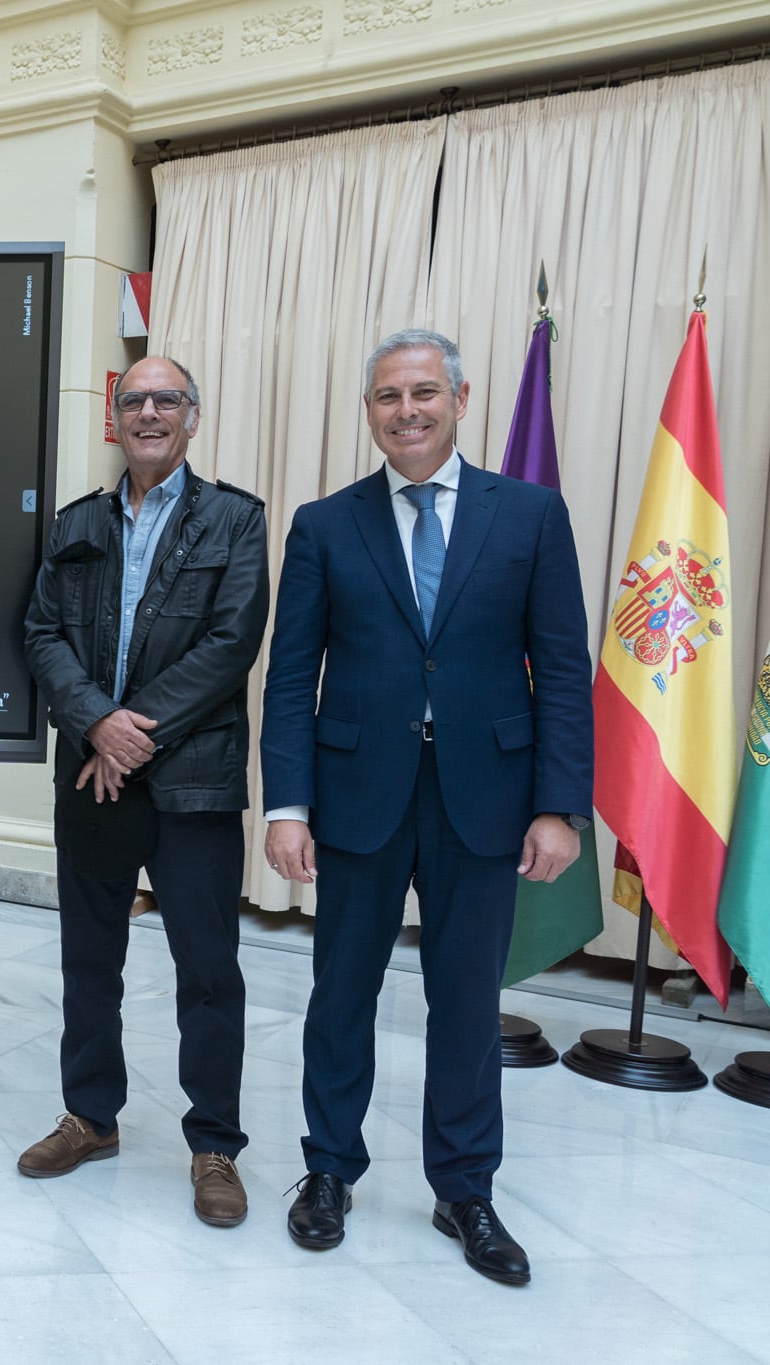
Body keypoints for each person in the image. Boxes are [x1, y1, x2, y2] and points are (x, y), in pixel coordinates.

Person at [261, 329, 592, 1285]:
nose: (405, 410)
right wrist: (287, 803)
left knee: (465, 1004)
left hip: (487, 801)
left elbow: (563, 670)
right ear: (368, 410)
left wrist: (560, 805)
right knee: (340, 995)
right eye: (385, 397)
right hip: (358, 797)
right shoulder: (325, 524)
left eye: (423, 393)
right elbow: (291, 680)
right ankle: (327, 1171)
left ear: (460, 396)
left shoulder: (530, 515)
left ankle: (465, 1187)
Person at [19, 356, 270, 1227]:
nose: (151, 412)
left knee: (207, 970)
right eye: (135, 401)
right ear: (111, 421)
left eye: (168, 400)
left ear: (193, 418)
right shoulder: (76, 522)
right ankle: (90, 1116)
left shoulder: (236, 520)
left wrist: (129, 731)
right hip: (90, 776)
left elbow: (232, 642)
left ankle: (215, 1145)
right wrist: (94, 722)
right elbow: (41, 631)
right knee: (90, 960)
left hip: (191, 784)